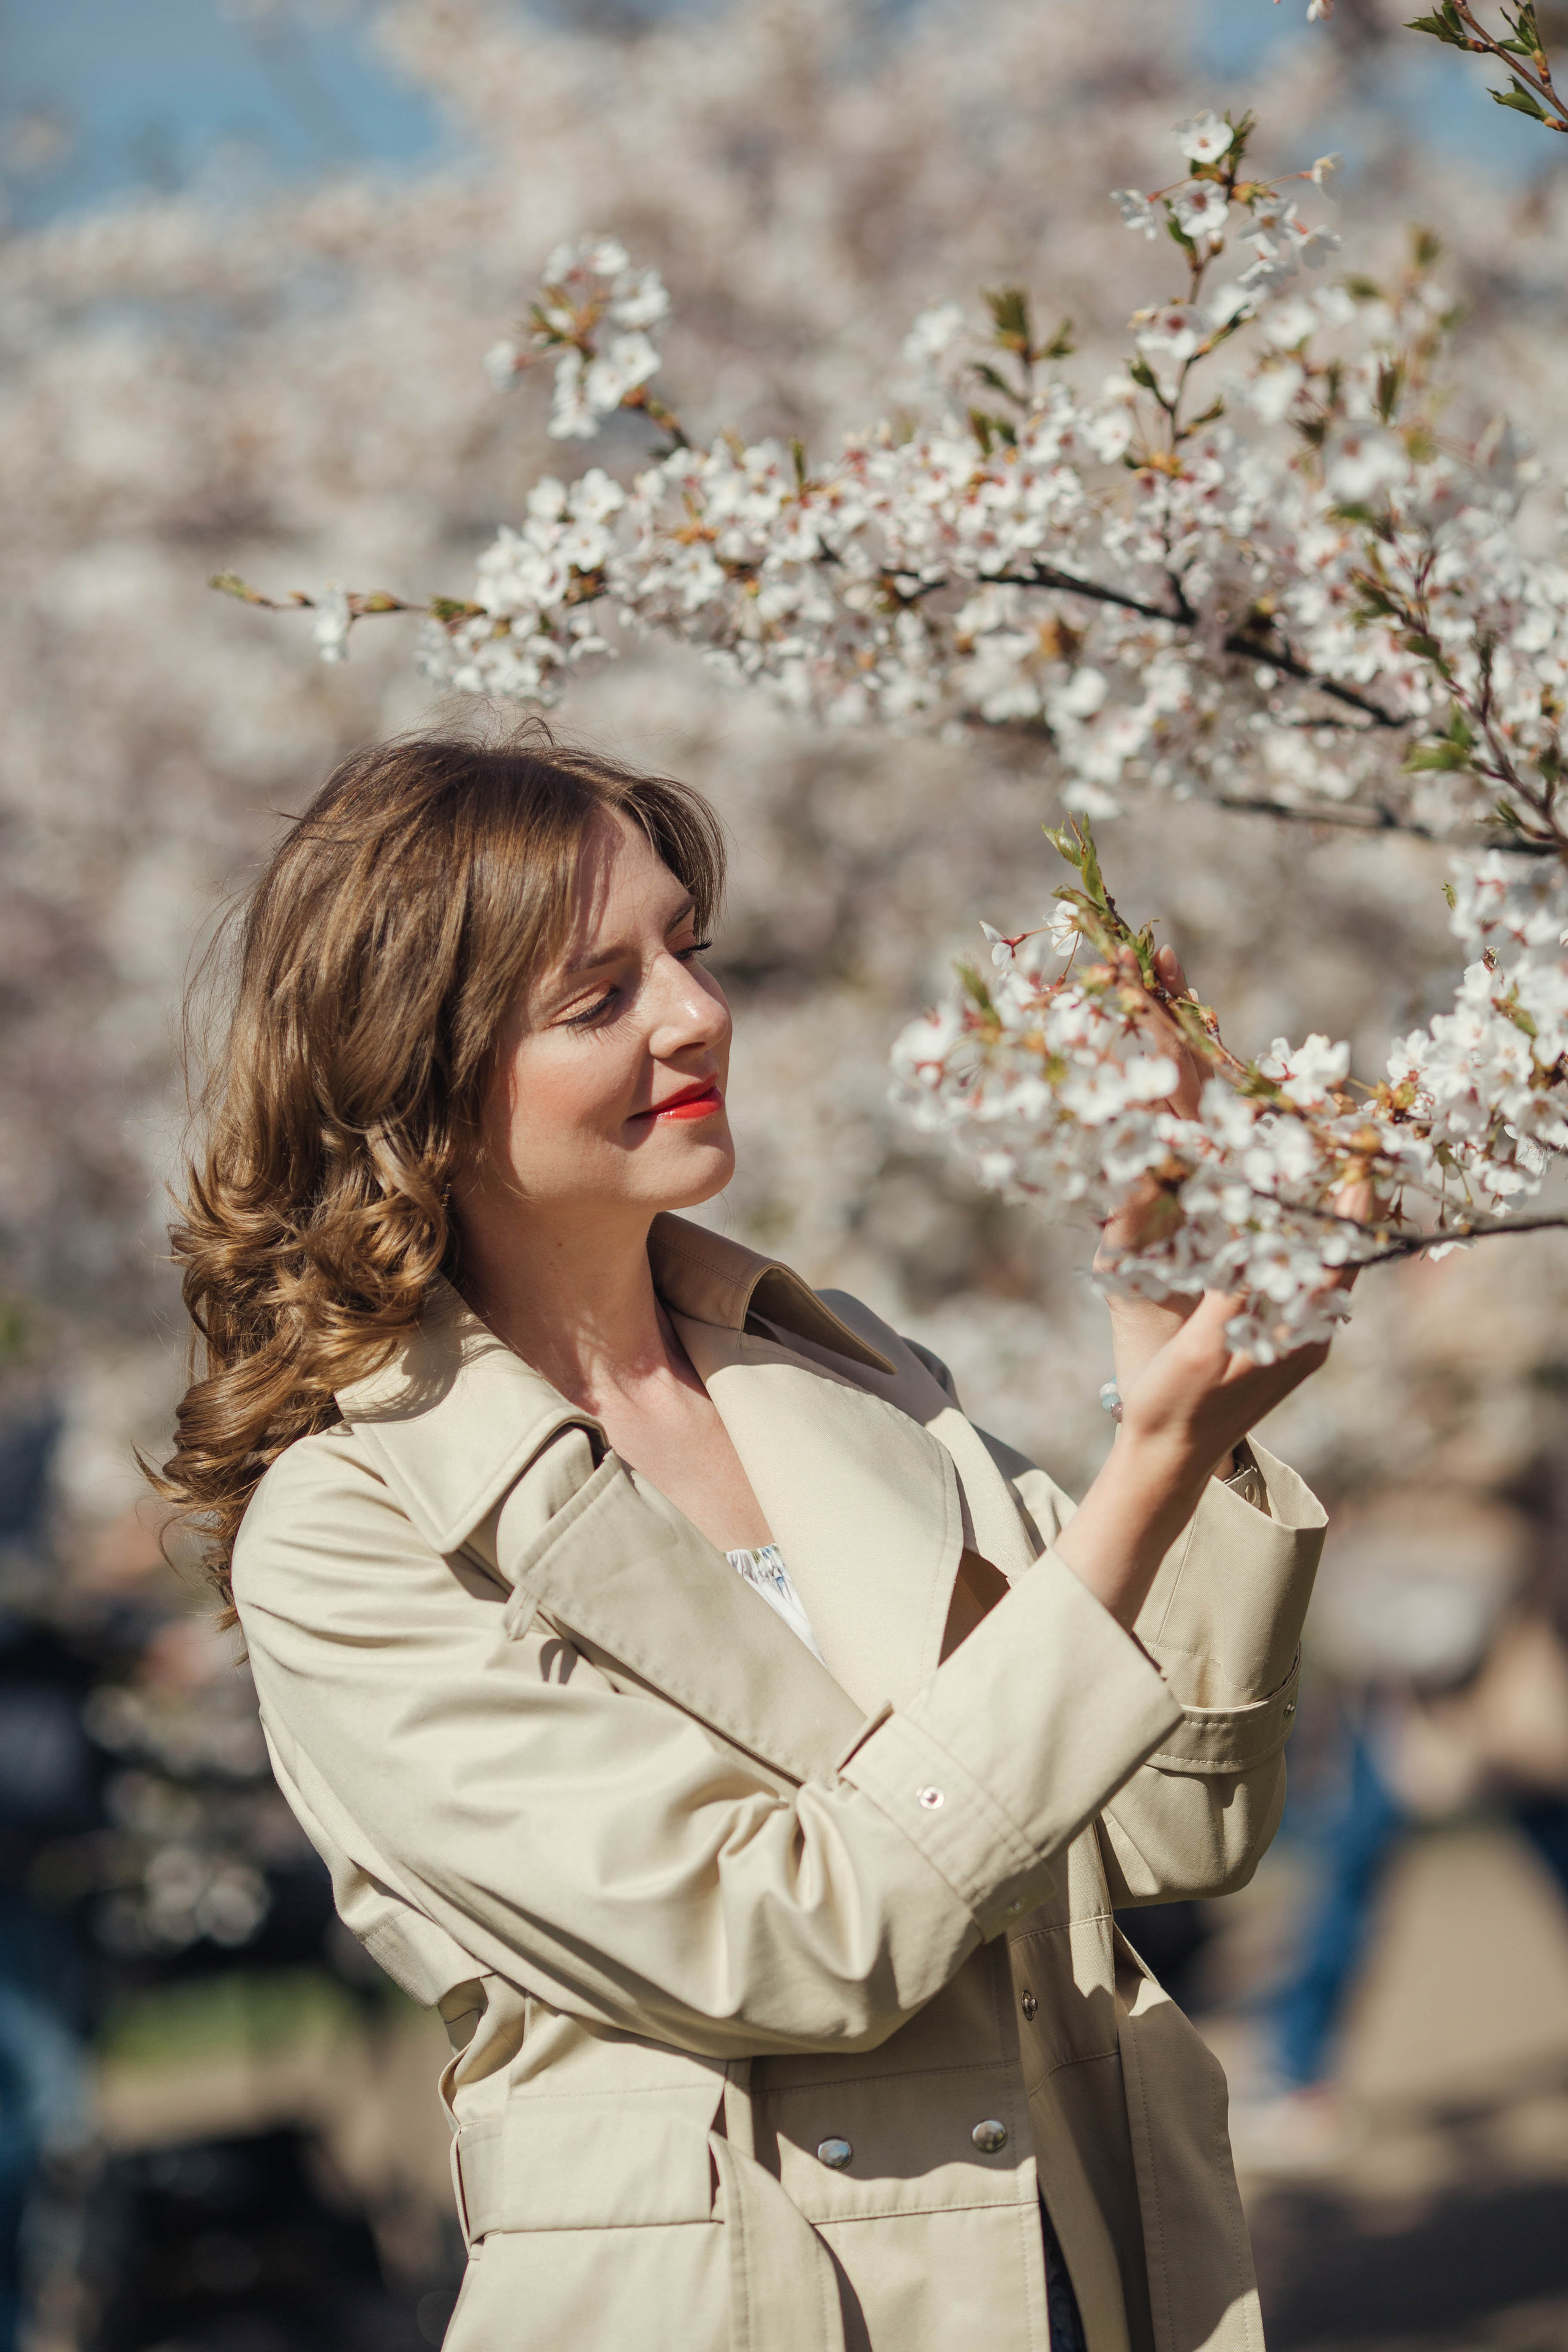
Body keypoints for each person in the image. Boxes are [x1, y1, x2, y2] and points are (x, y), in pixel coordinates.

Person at [155, 725, 1338, 2352]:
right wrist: (1140, 1482)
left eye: (688, 952)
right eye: (598, 997)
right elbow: (790, 1938)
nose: (696, 1014)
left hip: (1074, 2269)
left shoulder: (832, 1368)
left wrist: (1180, 1384)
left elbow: (1172, 1824)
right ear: (408, 1085)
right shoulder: (351, 1533)